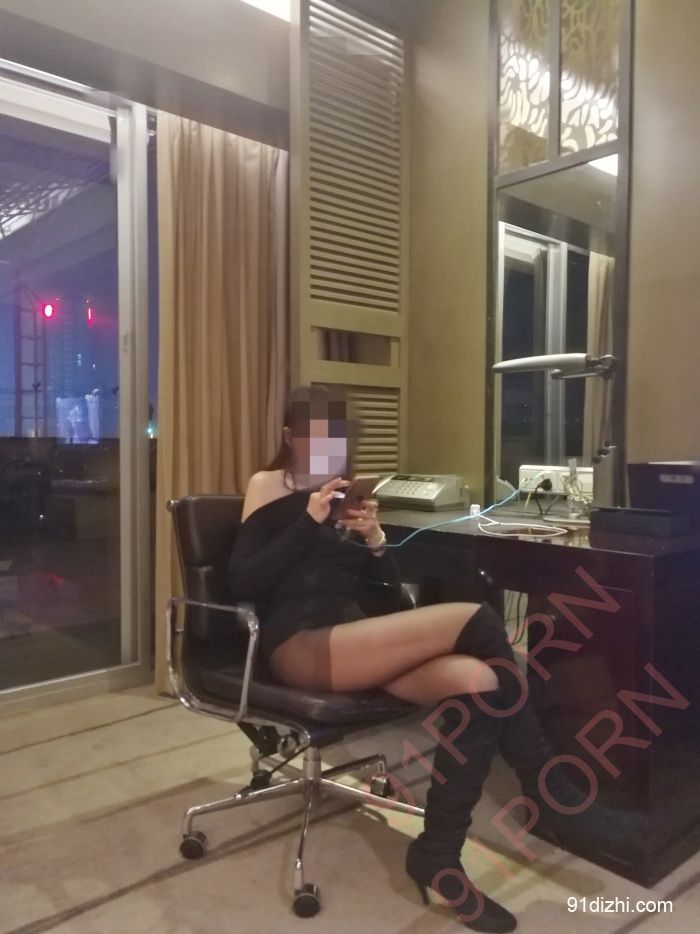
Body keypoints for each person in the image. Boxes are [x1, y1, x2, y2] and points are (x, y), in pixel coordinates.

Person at [228, 385, 641, 933]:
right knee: (480, 620)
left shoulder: (343, 499)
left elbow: (389, 609)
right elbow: (244, 581)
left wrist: (375, 542)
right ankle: (552, 792)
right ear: (289, 437)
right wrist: (307, 520)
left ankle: (438, 856)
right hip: (298, 647)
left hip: (354, 644)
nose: (327, 447)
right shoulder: (268, 485)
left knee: (483, 680)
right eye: (315, 436)